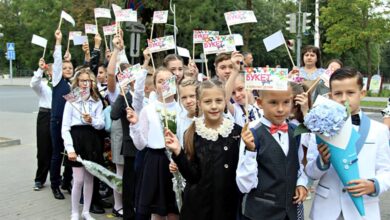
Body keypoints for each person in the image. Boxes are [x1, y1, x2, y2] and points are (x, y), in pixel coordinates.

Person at [305, 67, 390, 220]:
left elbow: (387, 171)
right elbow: (310, 172)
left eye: (350, 93)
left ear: (362, 93)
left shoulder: (379, 130)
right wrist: (322, 162)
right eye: (338, 94)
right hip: (326, 210)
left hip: (364, 209)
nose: (344, 98)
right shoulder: (319, 128)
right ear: (330, 96)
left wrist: (374, 184)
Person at [164, 79, 241, 220]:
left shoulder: (237, 132)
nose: (214, 106)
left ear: (225, 102)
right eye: (207, 102)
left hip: (228, 205)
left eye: (218, 100)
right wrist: (178, 152)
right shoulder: (192, 133)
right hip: (199, 207)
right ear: (199, 104)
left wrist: (250, 148)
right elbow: (192, 176)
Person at [237, 83, 308, 220]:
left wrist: (301, 183)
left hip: (289, 212)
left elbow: (297, 166)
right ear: (260, 102)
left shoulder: (295, 132)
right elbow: (244, 185)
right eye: (273, 103)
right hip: (261, 213)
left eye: (286, 102)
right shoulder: (252, 134)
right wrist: (250, 151)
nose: (280, 109)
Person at [127, 67, 180, 220]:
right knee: (157, 211)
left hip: (177, 161)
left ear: (175, 82)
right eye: (160, 81)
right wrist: (135, 125)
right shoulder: (148, 110)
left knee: (175, 210)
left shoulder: (181, 109)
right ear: (155, 85)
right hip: (155, 162)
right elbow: (140, 145)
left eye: (168, 80)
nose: (164, 84)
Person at [61, 68, 105, 220]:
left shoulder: (97, 101)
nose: (85, 84)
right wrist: (70, 149)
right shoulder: (71, 101)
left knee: (89, 179)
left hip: (92, 141)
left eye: (88, 81)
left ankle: (86, 212)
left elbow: (102, 124)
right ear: (77, 83)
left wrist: (92, 120)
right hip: (76, 140)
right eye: (82, 81)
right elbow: (65, 127)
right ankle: (74, 212)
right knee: (78, 179)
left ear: (92, 83)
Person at [50, 29, 74, 200]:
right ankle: (55, 185)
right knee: (57, 153)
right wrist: (58, 42)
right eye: (64, 68)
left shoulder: (73, 85)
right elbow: (57, 62)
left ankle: (67, 181)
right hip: (57, 121)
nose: (67, 69)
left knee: (71, 153)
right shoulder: (58, 81)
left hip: (71, 124)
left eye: (70, 67)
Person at [31, 58, 53, 191]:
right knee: (44, 149)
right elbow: (33, 84)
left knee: (57, 150)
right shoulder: (43, 85)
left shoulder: (63, 85)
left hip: (59, 117)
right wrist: (40, 69)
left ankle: (56, 177)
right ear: (48, 73)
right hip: (45, 116)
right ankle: (40, 179)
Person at [225, 52, 262, 127]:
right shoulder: (235, 109)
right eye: (233, 93)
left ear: (250, 86)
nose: (237, 95)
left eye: (240, 89)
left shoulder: (262, 104)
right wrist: (235, 70)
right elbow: (224, 98)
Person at [177, 78, 199, 146]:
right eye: (184, 97)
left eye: (192, 96)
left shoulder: (207, 119)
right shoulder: (180, 120)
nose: (188, 101)